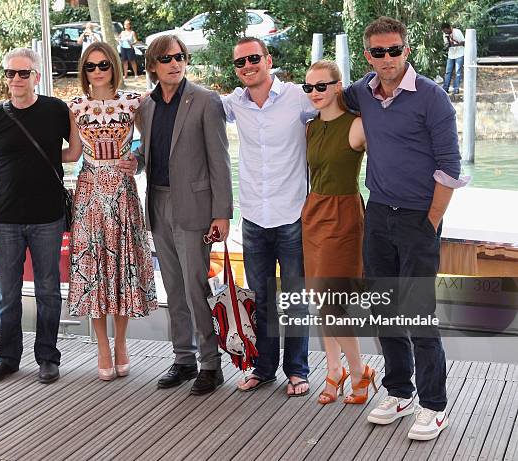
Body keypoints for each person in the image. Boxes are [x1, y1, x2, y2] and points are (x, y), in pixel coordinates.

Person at [343, 16, 467, 440]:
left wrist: (430, 222)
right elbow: (329, 100)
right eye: (378, 52)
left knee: (417, 313)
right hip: (378, 213)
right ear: (368, 55)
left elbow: (450, 168)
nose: (387, 58)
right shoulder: (362, 91)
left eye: (394, 50)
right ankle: (399, 392)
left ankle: (434, 405)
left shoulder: (432, 97)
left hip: (419, 219)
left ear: (406, 50)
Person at [134, 35, 232, 396]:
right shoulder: (145, 106)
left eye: (180, 57)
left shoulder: (206, 100)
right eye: (167, 58)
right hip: (157, 203)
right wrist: (136, 161)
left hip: (193, 208)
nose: (175, 63)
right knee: (173, 287)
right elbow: (151, 153)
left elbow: (219, 161)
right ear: (153, 66)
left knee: (195, 287)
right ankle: (183, 358)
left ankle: (211, 364)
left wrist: (222, 214)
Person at [0, 47, 80, 384]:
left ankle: (48, 358)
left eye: (24, 73)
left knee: (48, 292)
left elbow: (73, 152)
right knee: (6, 294)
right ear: (5, 77)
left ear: (36, 76)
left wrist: (77, 122)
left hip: (47, 218)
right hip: (4, 220)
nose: (18, 79)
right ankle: (7, 358)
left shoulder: (55, 110)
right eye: (11, 73)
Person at [222, 37, 316, 397]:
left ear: (268, 59)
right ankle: (264, 368)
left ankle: (297, 370)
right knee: (260, 298)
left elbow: (336, 107)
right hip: (254, 217)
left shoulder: (298, 97)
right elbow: (194, 106)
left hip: (293, 214)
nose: (247, 66)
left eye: (254, 58)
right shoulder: (233, 104)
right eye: (240, 62)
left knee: (295, 298)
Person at [63, 42, 157, 381]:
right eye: (90, 66)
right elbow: (73, 154)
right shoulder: (74, 106)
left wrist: (137, 161)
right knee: (95, 270)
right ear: (83, 71)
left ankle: (121, 344)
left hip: (122, 192)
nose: (98, 70)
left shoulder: (135, 102)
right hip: (88, 194)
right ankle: (102, 346)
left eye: (103, 64)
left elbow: (149, 145)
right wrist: (21, 156)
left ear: (114, 66)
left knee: (122, 266)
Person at [301, 60, 374, 405]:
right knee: (320, 300)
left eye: (321, 86)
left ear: (337, 86)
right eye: (309, 88)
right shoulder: (310, 127)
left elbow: (389, 160)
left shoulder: (357, 125)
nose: (314, 93)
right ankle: (334, 369)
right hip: (313, 213)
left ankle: (359, 371)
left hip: (344, 215)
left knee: (334, 304)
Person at [441, 22, 465, 95]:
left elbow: (463, 42)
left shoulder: (457, 32)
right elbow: (447, 46)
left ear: (449, 28)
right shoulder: (445, 35)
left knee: (457, 72)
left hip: (459, 53)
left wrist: (455, 44)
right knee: (448, 72)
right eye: (444, 31)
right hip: (451, 55)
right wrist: (448, 39)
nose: (445, 32)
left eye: (446, 31)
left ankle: (456, 88)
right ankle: (445, 88)